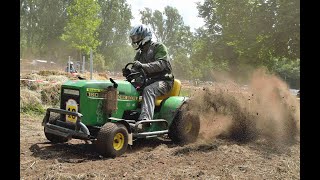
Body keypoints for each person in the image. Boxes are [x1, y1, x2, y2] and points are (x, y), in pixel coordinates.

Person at [123, 24, 174, 121]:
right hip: (147, 81)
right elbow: (136, 70)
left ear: (144, 37)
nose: (134, 40)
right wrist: (129, 72)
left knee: (148, 90)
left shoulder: (159, 47)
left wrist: (143, 66)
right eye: (133, 38)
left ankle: (145, 120)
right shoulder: (139, 53)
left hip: (164, 81)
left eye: (136, 37)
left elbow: (161, 64)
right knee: (126, 87)